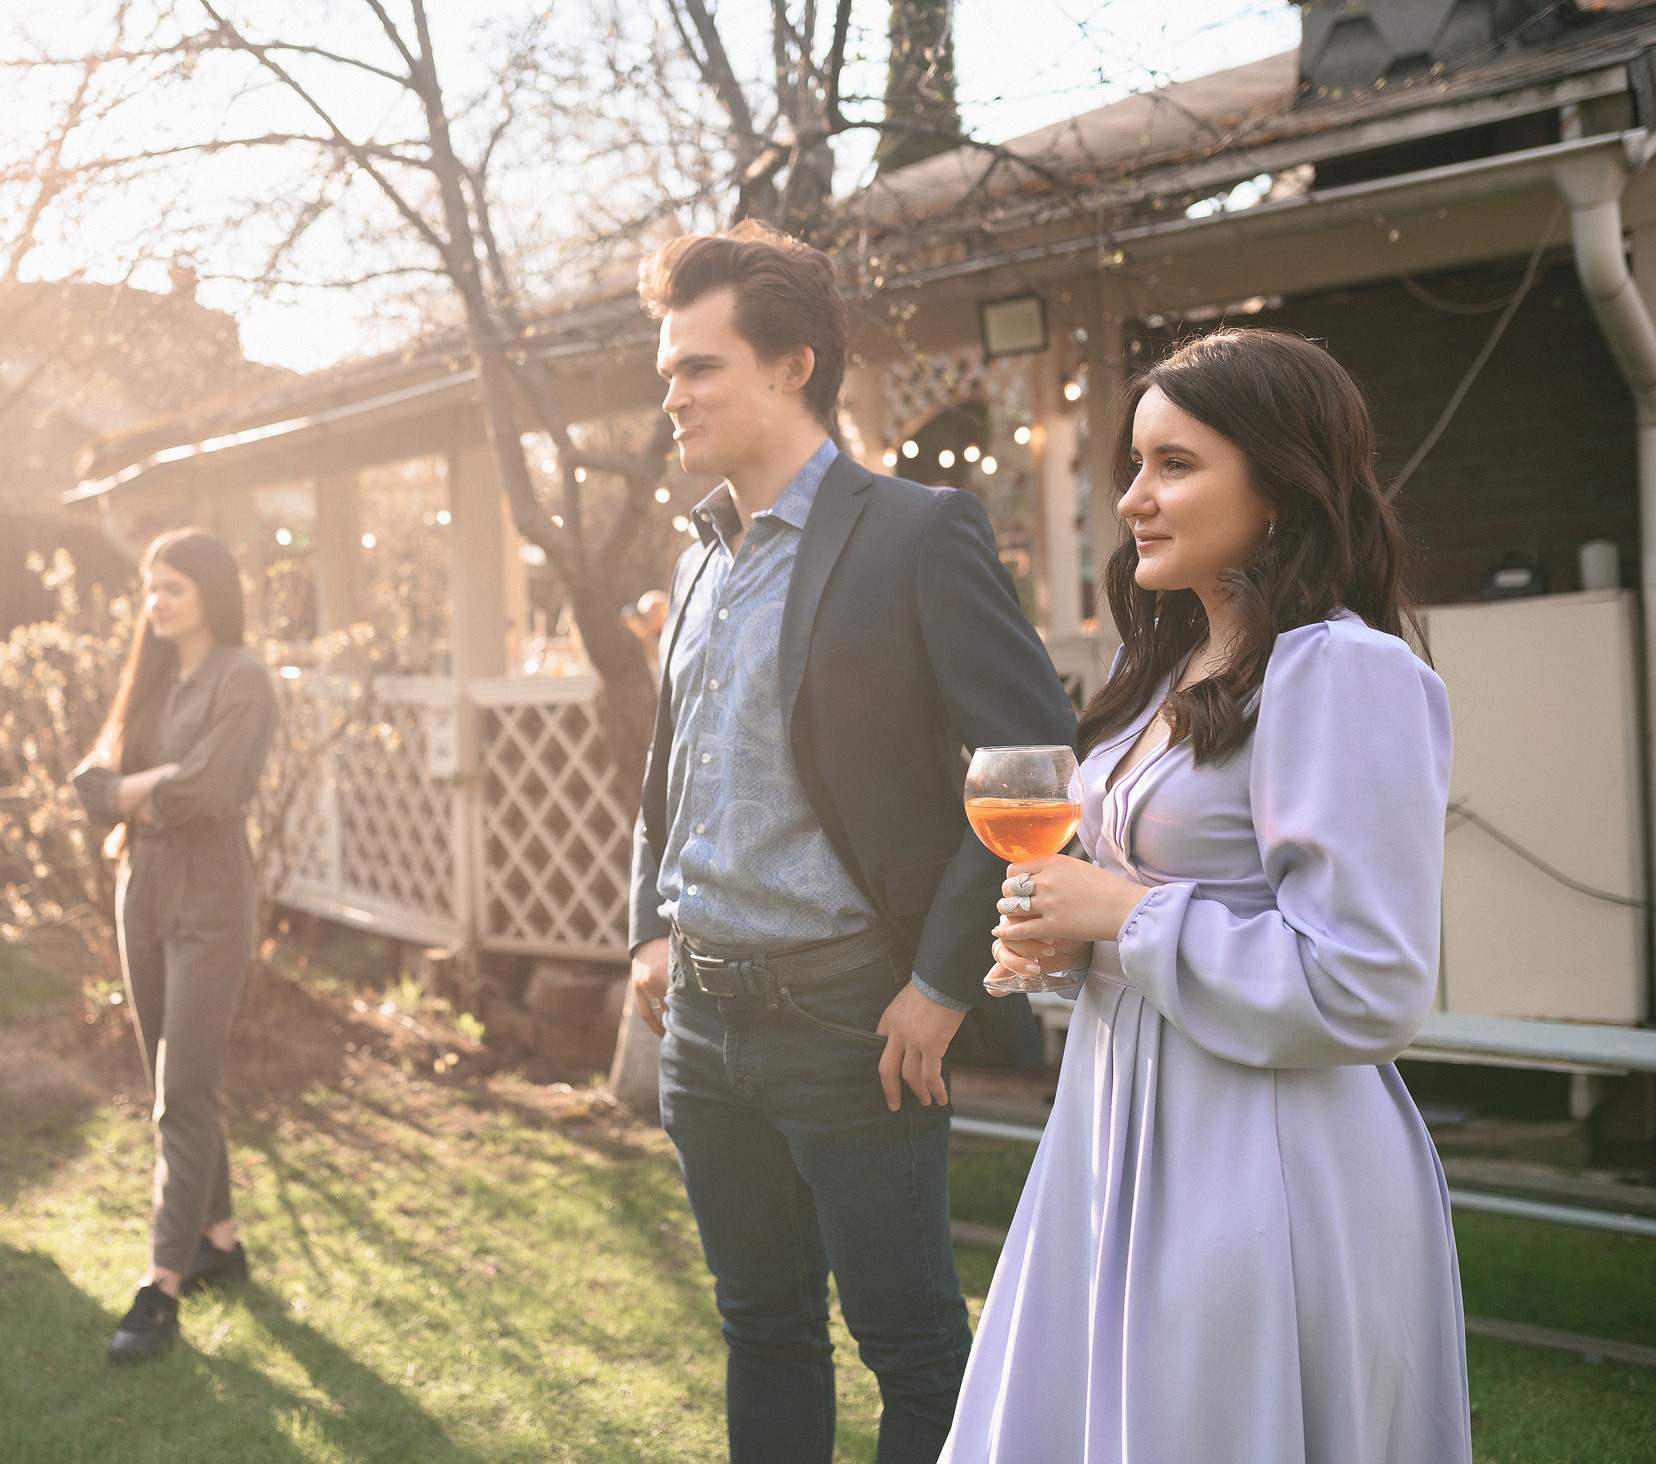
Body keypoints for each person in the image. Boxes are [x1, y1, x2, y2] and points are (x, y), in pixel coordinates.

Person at [943, 329, 1470, 1462]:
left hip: (1261, 1165)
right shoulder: (1164, 680)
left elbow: (1369, 985)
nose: (1134, 498)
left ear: (1280, 484)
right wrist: (1069, 939)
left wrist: (1117, 915)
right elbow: (1139, 910)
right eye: (1134, 465)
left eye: (1175, 465)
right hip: (1110, 1137)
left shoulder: (1341, 672)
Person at [625, 222, 1075, 1463]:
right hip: (702, 1028)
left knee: (913, 1349)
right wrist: (648, 931)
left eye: (699, 368)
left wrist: (942, 983)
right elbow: (667, 769)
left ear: (791, 366)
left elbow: (1031, 769)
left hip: (853, 1024)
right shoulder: (698, 557)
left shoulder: (918, 532)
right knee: (761, 1329)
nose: (672, 395)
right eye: (667, 370)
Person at [73, 529, 278, 1364]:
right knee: (174, 1077)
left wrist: (141, 791)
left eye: (174, 589)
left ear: (212, 595)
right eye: (150, 588)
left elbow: (213, 791)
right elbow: (89, 787)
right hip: (142, 892)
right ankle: (219, 1243)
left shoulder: (245, 678)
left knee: (179, 1092)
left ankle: (159, 1289)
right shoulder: (150, 682)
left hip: (212, 899)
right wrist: (153, 785)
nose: (156, 602)